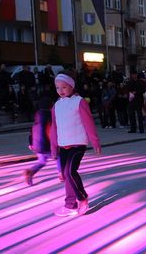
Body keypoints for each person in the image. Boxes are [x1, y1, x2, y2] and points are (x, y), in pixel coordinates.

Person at [51, 74, 101, 217]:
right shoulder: (57, 105)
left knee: (69, 172)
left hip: (77, 144)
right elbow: (54, 128)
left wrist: (95, 141)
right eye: (57, 88)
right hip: (63, 145)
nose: (61, 90)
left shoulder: (79, 102)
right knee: (66, 176)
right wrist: (53, 148)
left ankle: (82, 198)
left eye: (64, 87)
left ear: (71, 87)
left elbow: (88, 123)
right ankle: (70, 205)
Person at [24, 97, 63, 186]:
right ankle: (61, 174)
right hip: (46, 144)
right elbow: (52, 130)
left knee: (42, 161)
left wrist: (31, 142)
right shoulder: (50, 116)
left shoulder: (38, 116)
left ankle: (30, 172)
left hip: (37, 144)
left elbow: (32, 130)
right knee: (58, 157)